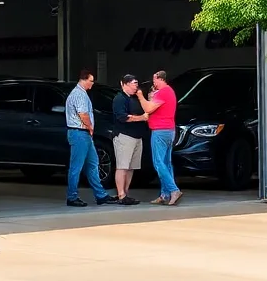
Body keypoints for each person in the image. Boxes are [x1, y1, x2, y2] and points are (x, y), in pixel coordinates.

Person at [63, 69, 115, 208]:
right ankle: (72, 196)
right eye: (91, 81)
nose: (92, 84)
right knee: (76, 167)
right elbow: (83, 114)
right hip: (80, 133)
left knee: (93, 164)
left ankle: (101, 195)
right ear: (84, 79)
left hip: (82, 134)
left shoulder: (80, 93)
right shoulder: (79, 95)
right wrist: (90, 127)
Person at [135, 70, 181, 206]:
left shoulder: (163, 92)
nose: (153, 82)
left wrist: (140, 96)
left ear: (160, 79)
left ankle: (174, 190)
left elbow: (148, 109)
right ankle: (165, 194)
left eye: (154, 80)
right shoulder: (170, 91)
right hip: (169, 130)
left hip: (160, 131)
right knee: (166, 162)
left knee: (158, 162)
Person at [111, 74, 148, 205]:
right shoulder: (119, 99)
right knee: (122, 166)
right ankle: (121, 194)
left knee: (131, 167)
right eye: (133, 83)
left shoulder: (135, 98)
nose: (136, 86)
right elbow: (123, 117)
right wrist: (141, 118)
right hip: (124, 136)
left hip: (137, 136)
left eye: (137, 83)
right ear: (124, 84)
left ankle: (126, 193)